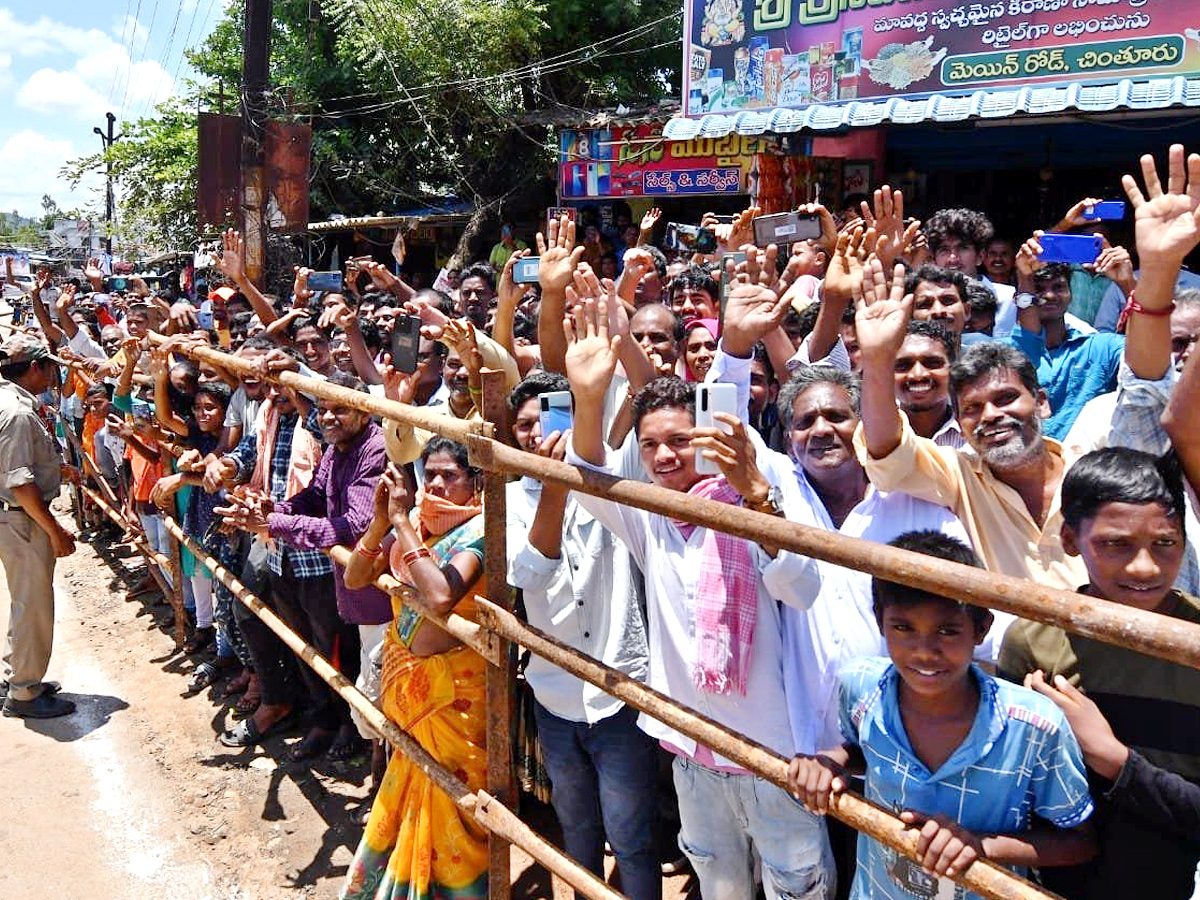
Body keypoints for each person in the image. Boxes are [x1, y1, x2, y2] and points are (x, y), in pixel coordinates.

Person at [563, 294, 835, 900]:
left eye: (681, 440)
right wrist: (585, 399)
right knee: (719, 885)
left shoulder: (756, 498)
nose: (664, 456)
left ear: (706, 439)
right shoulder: (650, 518)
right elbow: (587, 476)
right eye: (651, 444)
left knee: (797, 889)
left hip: (777, 759)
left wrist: (758, 506)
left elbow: (803, 585)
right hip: (693, 751)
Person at [787, 531, 1096, 900]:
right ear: (879, 621)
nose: (924, 652)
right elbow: (859, 748)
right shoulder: (860, 687)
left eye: (947, 631)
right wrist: (830, 762)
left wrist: (981, 846)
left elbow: (1080, 840)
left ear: (982, 627)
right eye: (903, 628)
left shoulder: (1034, 726)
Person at [998, 448, 1200, 900]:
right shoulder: (1035, 641)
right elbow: (1016, 790)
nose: (1144, 567)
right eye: (1115, 544)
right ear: (1070, 539)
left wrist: (1114, 760)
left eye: (1165, 543)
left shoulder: (1196, 644)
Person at [505, 371, 659, 900]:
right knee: (578, 830)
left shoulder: (610, 482)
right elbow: (529, 573)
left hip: (621, 689)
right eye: (523, 426)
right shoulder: (508, 500)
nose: (534, 434)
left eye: (547, 419)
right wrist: (552, 486)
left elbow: (639, 399)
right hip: (555, 694)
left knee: (632, 838)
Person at [340, 440, 489, 900]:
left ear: (476, 482)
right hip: (410, 693)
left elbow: (441, 596)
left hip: (454, 702)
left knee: (450, 810)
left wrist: (403, 524)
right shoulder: (420, 523)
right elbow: (355, 578)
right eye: (433, 474)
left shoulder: (483, 533)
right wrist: (383, 521)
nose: (438, 484)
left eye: (451, 475)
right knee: (409, 796)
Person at [0, 335, 77, 719]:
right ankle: (25, 692)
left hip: (12, 514)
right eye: (49, 366)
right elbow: (19, 483)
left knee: (23, 599)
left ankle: (18, 673)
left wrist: (55, 469)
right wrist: (55, 531)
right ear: (34, 367)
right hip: (20, 517)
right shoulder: (18, 412)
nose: (52, 374)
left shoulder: (9, 402)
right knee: (33, 604)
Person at [1009, 253, 1124, 440]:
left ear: (1071, 294)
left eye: (1058, 287)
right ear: (1019, 297)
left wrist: (1126, 284)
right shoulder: (1001, 355)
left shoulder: (1100, 348)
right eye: (1038, 289)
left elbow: (1150, 352)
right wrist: (1024, 277)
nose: (1049, 295)